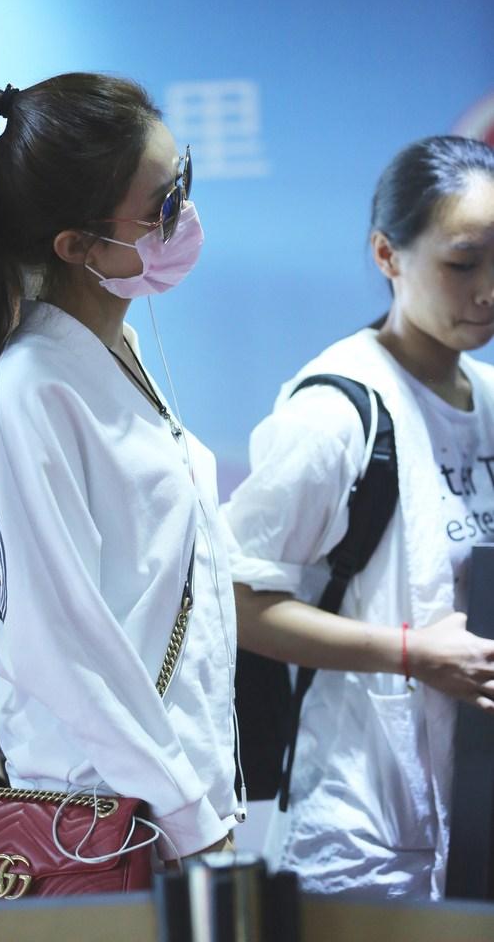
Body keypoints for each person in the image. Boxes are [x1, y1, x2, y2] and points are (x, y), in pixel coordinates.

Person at [0, 73, 238, 867]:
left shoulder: (112, 349)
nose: (184, 216)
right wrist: (187, 814)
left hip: (161, 798)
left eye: (184, 181)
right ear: (78, 247)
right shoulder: (35, 387)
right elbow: (57, 635)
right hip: (110, 816)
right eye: (162, 205)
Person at [222, 135, 494, 900]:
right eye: (463, 263)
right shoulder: (334, 413)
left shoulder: (487, 396)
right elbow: (233, 600)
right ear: (386, 254)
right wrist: (409, 652)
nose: (488, 290)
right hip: (360, 830)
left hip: (474, 814)